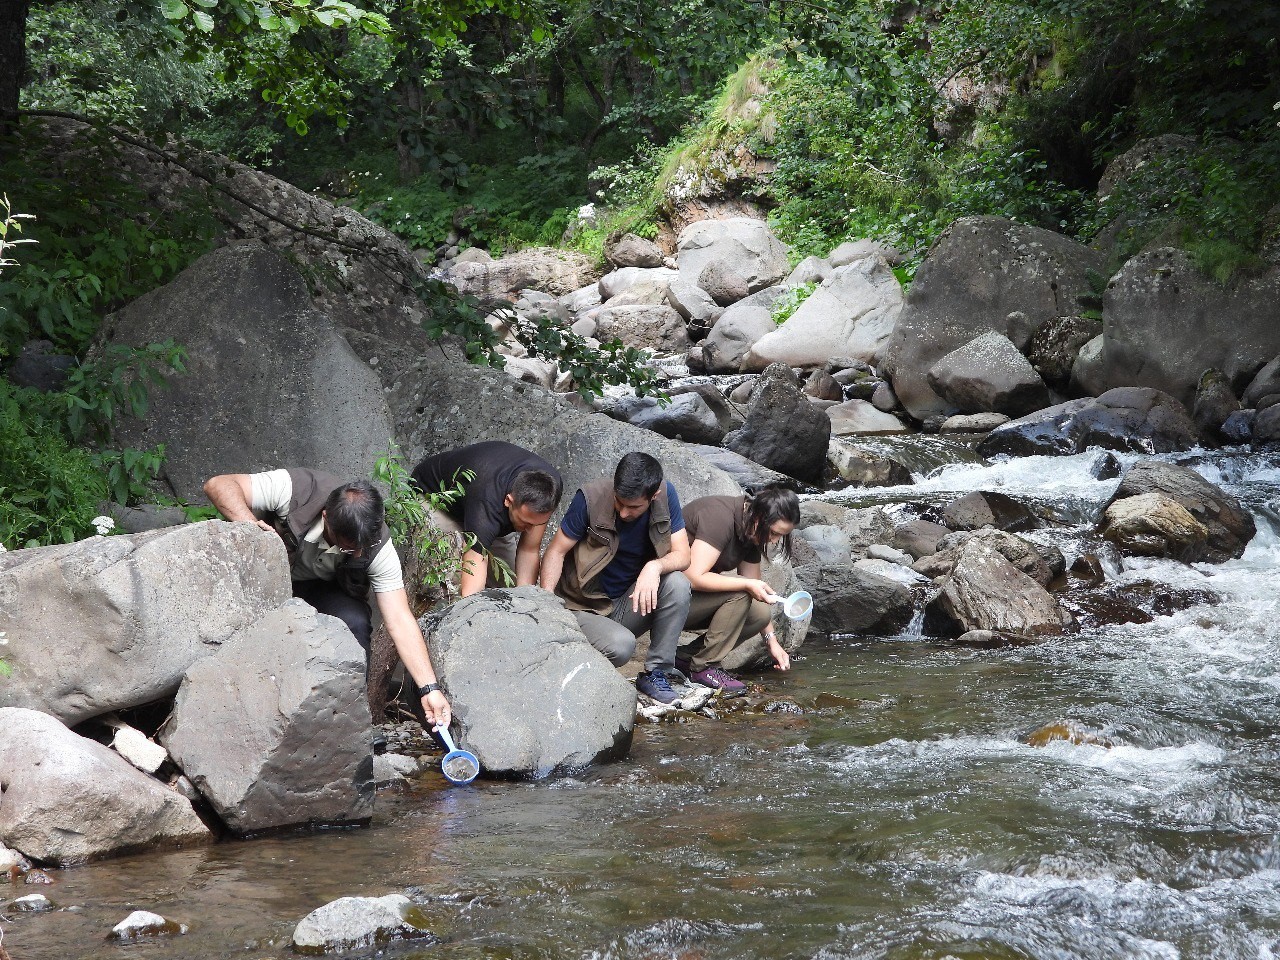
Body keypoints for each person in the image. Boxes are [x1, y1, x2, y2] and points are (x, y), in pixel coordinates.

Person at [203, 467, 450, 729]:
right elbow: (218, 484)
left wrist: (429, 688)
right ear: (326, 518)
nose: (355, 555)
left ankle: (348, 725)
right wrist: (250, 528)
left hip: (321, 589)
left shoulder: (377, 544)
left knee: (354, 620)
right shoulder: (299, 490)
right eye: (346, 548)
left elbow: (399, 619)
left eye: (360, 550)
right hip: (266, 582)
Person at [538, 452, 692, 705]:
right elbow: (556, 550)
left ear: (653, 497)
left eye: (633, 507)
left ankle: (656, 673)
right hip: (581, 607)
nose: (622, 513)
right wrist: (547, 604)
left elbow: (683, 555)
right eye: (619, 502)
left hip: (623, 606)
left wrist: (654, 567)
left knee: (677, 582)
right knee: (622, 647)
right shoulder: (590, 498)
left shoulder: (666, 495)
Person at [679, 486, 801, 696]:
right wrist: (745, 585)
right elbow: (692, 577)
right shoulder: (720, 518)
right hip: (661, 598)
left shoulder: (750, 530)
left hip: (688, 599)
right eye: (773, 533)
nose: (773, 541)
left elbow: (756, 589)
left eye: (780, 536)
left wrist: (772, 644)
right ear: (759, 517)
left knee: (759, 614)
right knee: (741, 592)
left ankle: (684, 659)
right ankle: (703, 667)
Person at [410, 441, 563, 597]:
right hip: (435, 499)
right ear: (508, 501)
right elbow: (474, 568)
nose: (531, 530)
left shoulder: (549, 489)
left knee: (507, 588)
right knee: (454, 583)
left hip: (481, 505)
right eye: (526, 523)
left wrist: (525, 602)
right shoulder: (487, 502)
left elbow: (529, 549)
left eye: (537, 524)